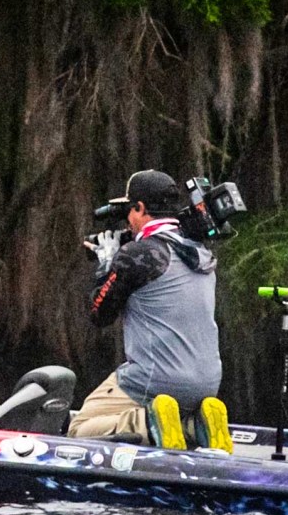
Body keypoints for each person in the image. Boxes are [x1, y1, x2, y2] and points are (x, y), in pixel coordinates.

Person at [67, 170, 232, 452]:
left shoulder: (138, 255)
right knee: (175, 409)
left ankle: (146, 423)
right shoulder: (198, 249)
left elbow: (99, 313)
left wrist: (107, 263)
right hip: (207, 383)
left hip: (156, 381)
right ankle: (197, 424)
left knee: (79, 428)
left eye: (130, 211)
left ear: (141, 208)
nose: (128, 222)